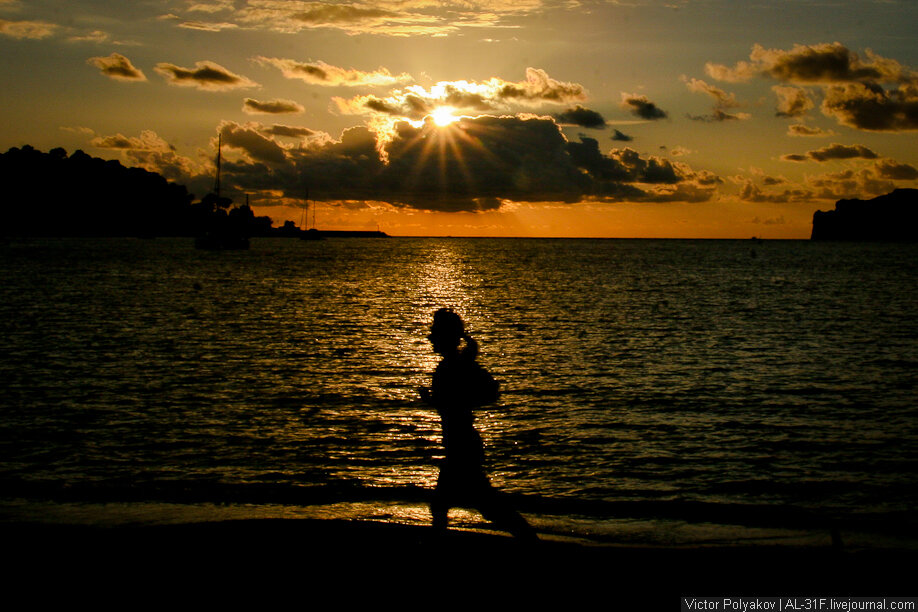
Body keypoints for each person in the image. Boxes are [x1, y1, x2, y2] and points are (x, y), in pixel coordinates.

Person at [419, 308, 536, 541]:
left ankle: (529, 540)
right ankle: (528, 539)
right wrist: (437, 400)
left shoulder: (452, 368)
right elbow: (459, 401)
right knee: (455, 503)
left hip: (462, 445)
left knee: (483, 504)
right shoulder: (454, 366)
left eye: (435, 334)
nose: (431, 338)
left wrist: (437, 400)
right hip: (461, 444)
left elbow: (463, 401)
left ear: (445, 337)